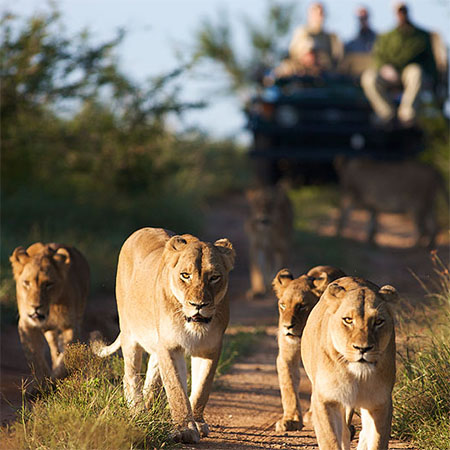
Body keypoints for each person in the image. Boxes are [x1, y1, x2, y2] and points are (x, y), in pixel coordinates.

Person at [361, 2, 437, 126]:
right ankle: (385, 113)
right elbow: (378, 57)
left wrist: (433, 80)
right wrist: (385, 68)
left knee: (415, 71)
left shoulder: (422, 36)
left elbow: (430, 62)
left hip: (409, 75)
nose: (402, 15)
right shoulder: (386, 36)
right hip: (390, 75)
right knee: (368, 77)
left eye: (404, 11)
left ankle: (407, 114)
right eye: (399, 12)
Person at [289, 2, 343, 71]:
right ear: (309, 15)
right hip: (301, 71)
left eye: (321, 13)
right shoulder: (301, 32)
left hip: (325, 73)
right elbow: (294, 52)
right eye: (315, 13)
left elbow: (337, 57)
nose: (318, 16)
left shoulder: (332, 37)